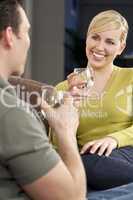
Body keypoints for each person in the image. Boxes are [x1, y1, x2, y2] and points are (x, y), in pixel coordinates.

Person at [0, 0, 86, 199]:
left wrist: (54, 96)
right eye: (27, 31)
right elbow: (73, 197)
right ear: (10, 36)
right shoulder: (12, 114)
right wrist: (65, 130)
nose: (29, 40)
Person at [53, 10, 133, 190]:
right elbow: (58, 148)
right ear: (87, 38)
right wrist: (68, 106)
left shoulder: (131, 78)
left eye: (110, 42)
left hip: (128, 152)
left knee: (88, 166)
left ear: (120, 47)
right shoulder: (62, 89)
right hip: (91, 161)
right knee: (87, 165)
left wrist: (114, 139)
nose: (99, 47)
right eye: (95, 37)